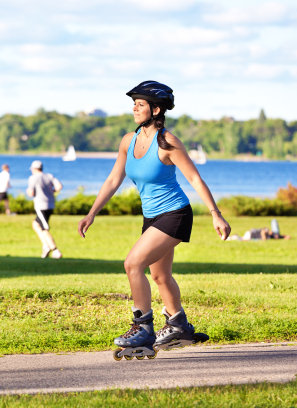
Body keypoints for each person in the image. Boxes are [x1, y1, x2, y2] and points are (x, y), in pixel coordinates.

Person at [77, 80, 231, 352]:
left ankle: (143, 328)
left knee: (132, 264)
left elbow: (194, 178)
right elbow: (114, 178)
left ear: (156, 109)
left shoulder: (167, 142)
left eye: (140, 105)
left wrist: (216, 214)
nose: (134, 110)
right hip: (152, 217)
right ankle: (178, 326)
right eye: (134, 105)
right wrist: (92, 213)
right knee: (160, 276)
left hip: (175, 214)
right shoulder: (129, 140)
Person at [27, 160, 63, 259]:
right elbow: (59, 186)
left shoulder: (33, 178)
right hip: (51, 204)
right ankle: (45, 245)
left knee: (44, 228)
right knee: (35, 224)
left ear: (34, 169)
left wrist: (30, 192)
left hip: (41, 206)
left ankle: (55, 250)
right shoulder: (49, 176)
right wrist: (52, 191)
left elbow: (31, 193)